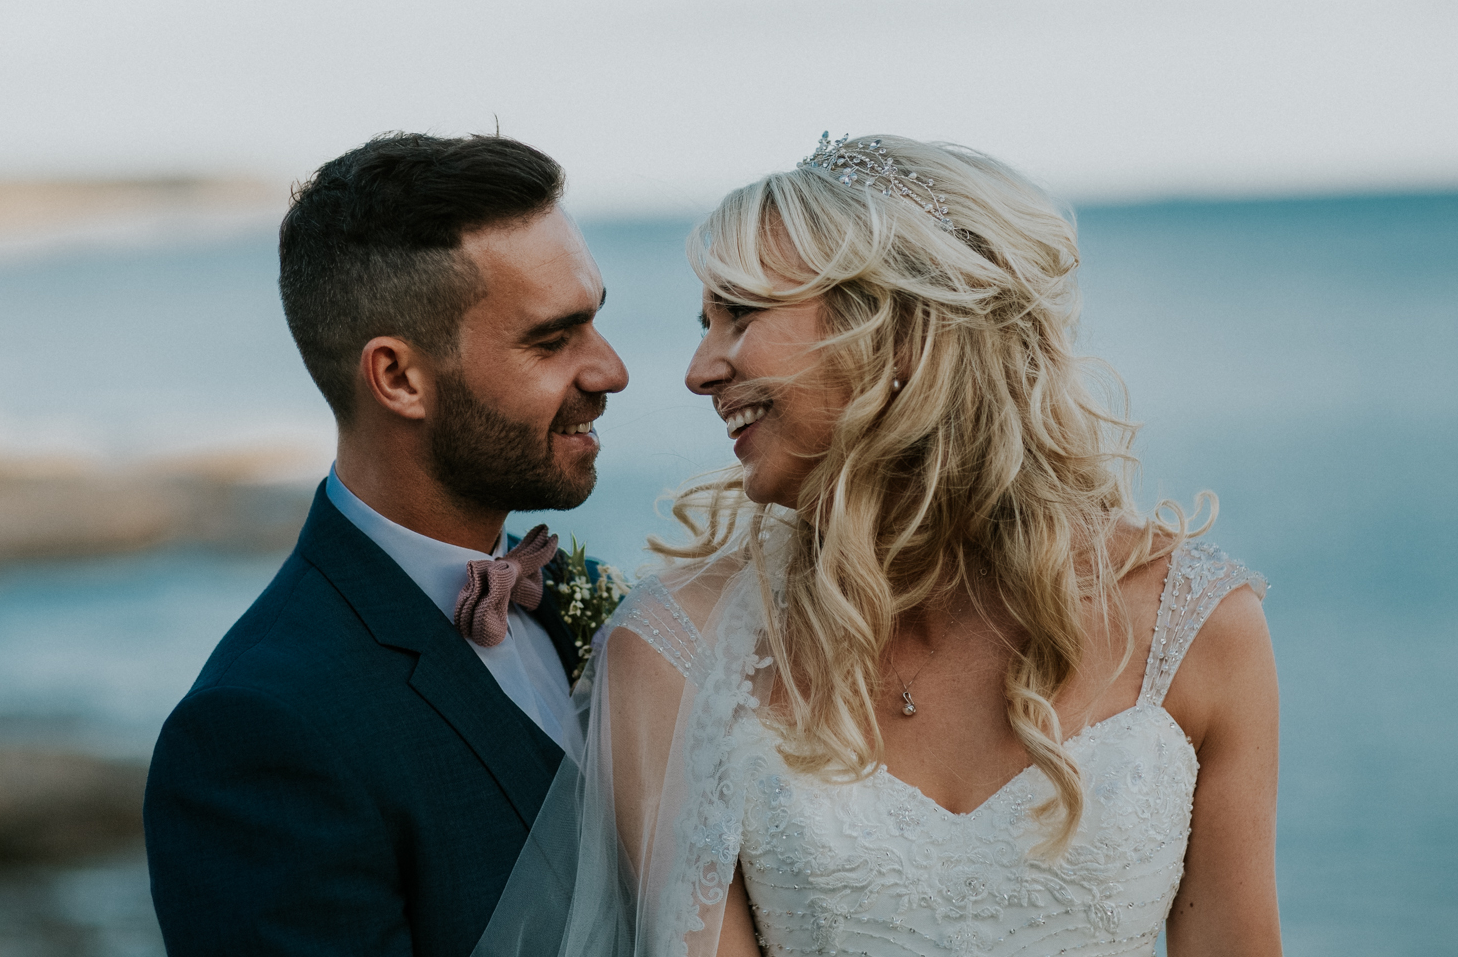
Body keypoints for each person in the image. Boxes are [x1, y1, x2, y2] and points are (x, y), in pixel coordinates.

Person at [476, 133, 1280, 957]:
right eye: (704, 322)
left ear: (896, 330)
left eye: (741, 315)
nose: (699, 370)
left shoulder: (1196, 630)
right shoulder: (674, 656)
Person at [143, 132, 628, 955]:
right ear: (398, 378)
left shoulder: (579, 605)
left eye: (596, 322)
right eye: (553, 340)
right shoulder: (260, 729)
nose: (610, 371)